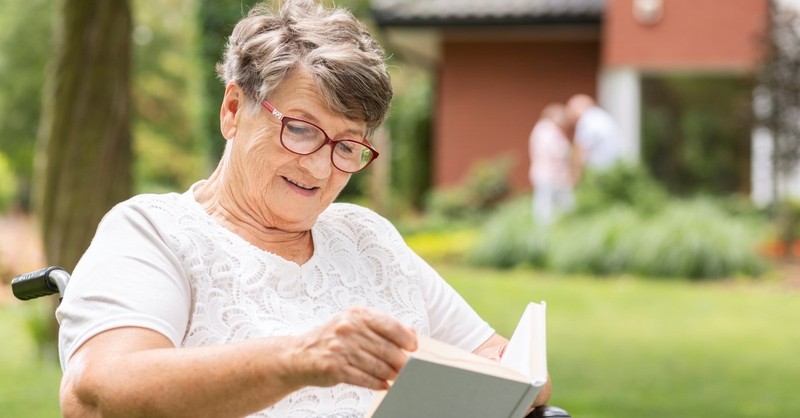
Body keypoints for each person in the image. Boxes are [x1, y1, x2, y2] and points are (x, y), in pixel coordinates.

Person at [55, 1, 551, 417]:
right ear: (233, 110)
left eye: (347, 145)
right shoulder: (154, 232)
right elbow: (96, 393)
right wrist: (301, 358)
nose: (318, 169)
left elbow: (493, 357)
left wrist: (521, 375)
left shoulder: (367, 236)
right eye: (300, 129)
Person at [529, 103, 575, 225]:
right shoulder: (547, 129)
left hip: (548, 173)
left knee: (551, 203)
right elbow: (557, 152)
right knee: (547, 205)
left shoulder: (544, 129)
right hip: (549, 173)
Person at [565, 94, 622, 181]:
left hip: (599, 173)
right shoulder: (603, 116)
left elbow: (581, 149)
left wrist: (574, 175)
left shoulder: (587, 120)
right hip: (615, 169)